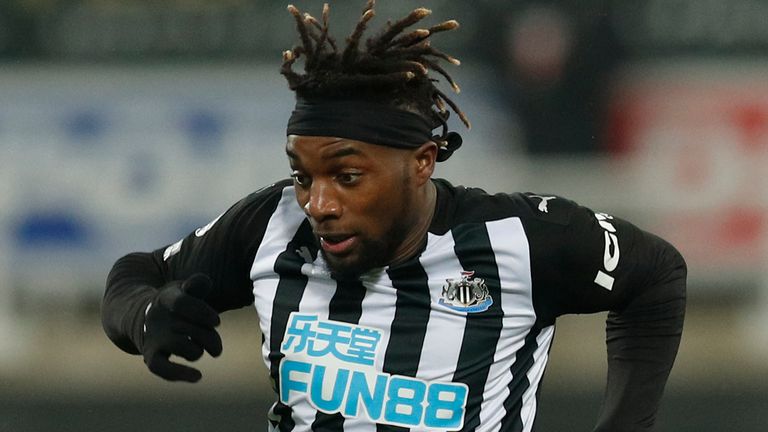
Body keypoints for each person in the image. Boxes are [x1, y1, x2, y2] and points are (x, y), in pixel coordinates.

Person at [101, 2, 686, 431]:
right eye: (303, 174)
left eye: (347, 176)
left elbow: (656, 273)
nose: (319, 204)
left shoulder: (524, 238)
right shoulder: (270, 225)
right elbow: (135, 275)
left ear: (423, 162)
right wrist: (143, 316)